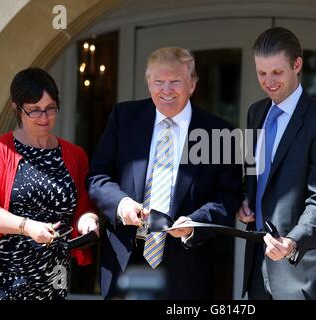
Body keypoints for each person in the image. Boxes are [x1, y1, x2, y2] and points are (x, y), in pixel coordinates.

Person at [87, 47, 242, 299]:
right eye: (158, 82)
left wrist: (194, 223)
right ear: (148, 83)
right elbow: (98, 177)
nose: (166, 90)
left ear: (192, 84)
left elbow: (229, 196)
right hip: (127, 256)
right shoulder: (123, 118)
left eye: (175, 82)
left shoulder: (219, 132)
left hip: (186, 265)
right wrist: (121, 203)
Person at [237, 27, 316, 299]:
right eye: (262, 73)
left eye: (277, 72)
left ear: (297, 65)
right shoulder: (255, 112)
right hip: (258, 264)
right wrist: (246, 199)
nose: (268, 81)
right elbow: (254, 173)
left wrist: (293, 242)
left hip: (300, 270)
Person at [0, 68, 99, 300]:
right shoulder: (2, 150)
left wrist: (88, 221)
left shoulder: (75, 155)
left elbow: (83, 206)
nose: (44, 118)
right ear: (17, 108)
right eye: (35, 110)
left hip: (55, 274)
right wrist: (27, 226)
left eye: (51, 108)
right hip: (7, 275)